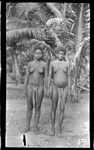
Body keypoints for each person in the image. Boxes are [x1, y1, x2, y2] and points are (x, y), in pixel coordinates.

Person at [23, 45, 48, 133]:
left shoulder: (44, 64)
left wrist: (47, 88)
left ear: (42, 54)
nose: (38, 55)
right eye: (36, 53)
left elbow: (46, 77)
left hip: (40, 86)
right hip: (30, 86)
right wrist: (24, 88)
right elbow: (26, 77)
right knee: (29, 106)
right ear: (33, 54)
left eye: (40, 53)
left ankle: (36, 127)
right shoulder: (30, 64)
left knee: (38, 107)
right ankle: (27, 126)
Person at [48, 46, 69, 136]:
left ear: (64, 55)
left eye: (63, 54)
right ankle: (52, 128)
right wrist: (48, 88)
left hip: (65, 87)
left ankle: (59, 129)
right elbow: (49, 76)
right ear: (56, 54)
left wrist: (69, 90)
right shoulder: (52, 63)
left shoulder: (67, 64)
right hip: (55, 87)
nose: (61, 55)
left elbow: (69, 76)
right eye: (59, 53)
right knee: (53, 108)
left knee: (62, 108)